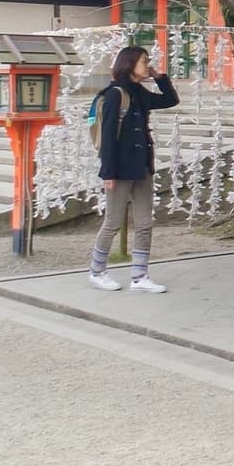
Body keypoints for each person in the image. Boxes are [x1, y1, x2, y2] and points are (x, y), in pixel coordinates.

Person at [88, 46, 179, 293]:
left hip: (142, 166)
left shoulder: (140, 91)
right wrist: (108, 173)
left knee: (145, 222)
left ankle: (139, 275)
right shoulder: (116, 94)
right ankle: (97, 271)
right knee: (113, 222)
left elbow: (171, 100)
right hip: (119, 168)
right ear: (130, 64)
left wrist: (160, 77)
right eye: (144, 61)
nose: (147, 65)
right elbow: (107, 136)